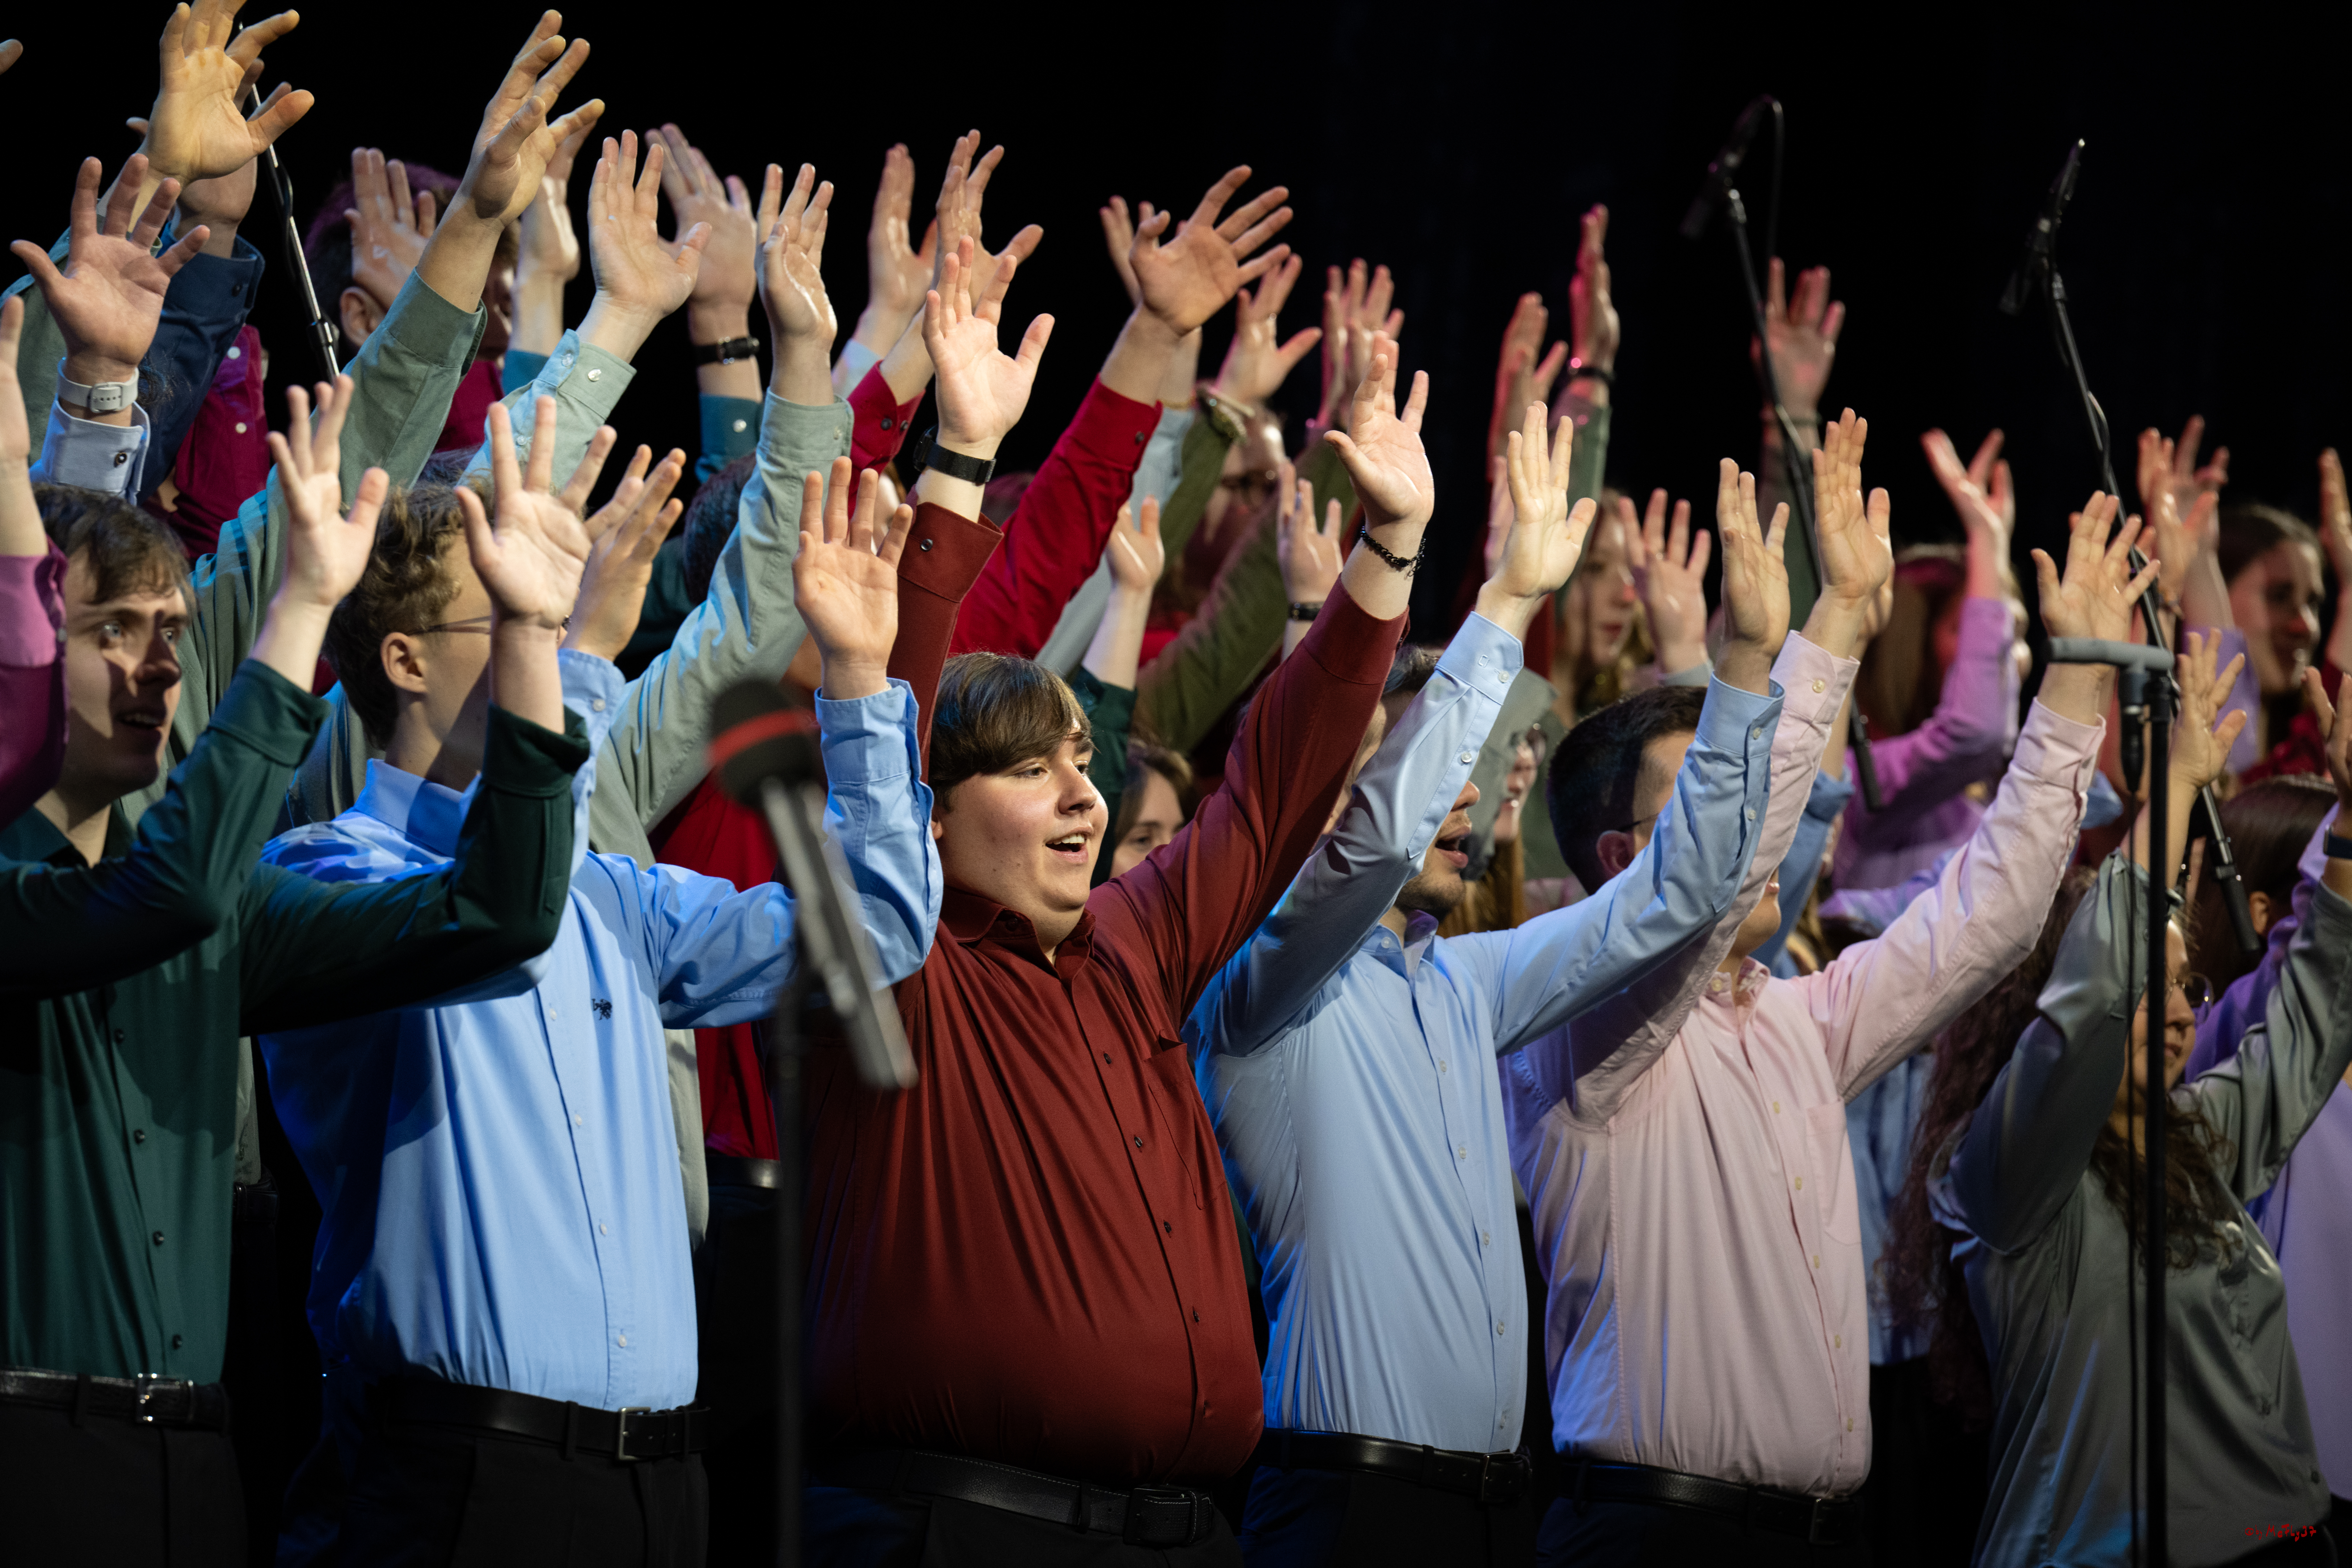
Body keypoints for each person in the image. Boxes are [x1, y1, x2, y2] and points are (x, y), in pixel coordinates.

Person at [799, 224, 1428, 1560]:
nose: (1086, 796)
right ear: (937, 810)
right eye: (1033, 772)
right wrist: (961, 463)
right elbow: (890, 733)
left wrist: (1394, 548)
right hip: (967, 1529)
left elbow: (1271, 785)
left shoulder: (1135, 942)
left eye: (1082, 759)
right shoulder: (901, 972)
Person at [254, 390, 938, 1565]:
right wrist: (565, 660)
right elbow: (500, 910)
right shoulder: (326, 870)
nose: (541, 630)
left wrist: (863, 684)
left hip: (661, 1487)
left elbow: (872, 929)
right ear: (406, 661)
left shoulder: (609, 896)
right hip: (457, 1484)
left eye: (544, 612)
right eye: (508, 615)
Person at [1510, 417, 2140, 1566]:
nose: (1757, 830)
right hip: (1654, 1536)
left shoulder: (1799, 1017)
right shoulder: (1586, 1026)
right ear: (1617, 863)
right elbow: (1704, 880)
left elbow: (1987, 916)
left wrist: (2079, 672)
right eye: (1708, 803)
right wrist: (1816, 639)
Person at [1193, 398, 1800, 1565]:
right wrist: (1510, 602)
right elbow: (1370, 845)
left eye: (1469, 776)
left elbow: (1681, 896)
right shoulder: (1265, 976)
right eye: (1434, 774)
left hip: (1489, 1516)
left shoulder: (1470, 981)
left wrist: (1740, 672)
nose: (1462, 800)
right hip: (1343, 1510)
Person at [0, 370, 587, 1565]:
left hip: (201, 1461)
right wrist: (300, 611)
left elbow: (503, 909)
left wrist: (527, 640)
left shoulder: (226, 910)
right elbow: (173, 889)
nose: (162, 668)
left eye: (173, 632)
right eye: (115, 630)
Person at [1923, 641, 2349, 1568]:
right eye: (2153, 987)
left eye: (2191, 986)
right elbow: (2091, 999)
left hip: (2281, 1542)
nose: (2184, 1011)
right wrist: (2179, 796)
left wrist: (2351, 826)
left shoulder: (2197, 1140)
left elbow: (2313, 1023)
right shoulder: (2008, 1175)